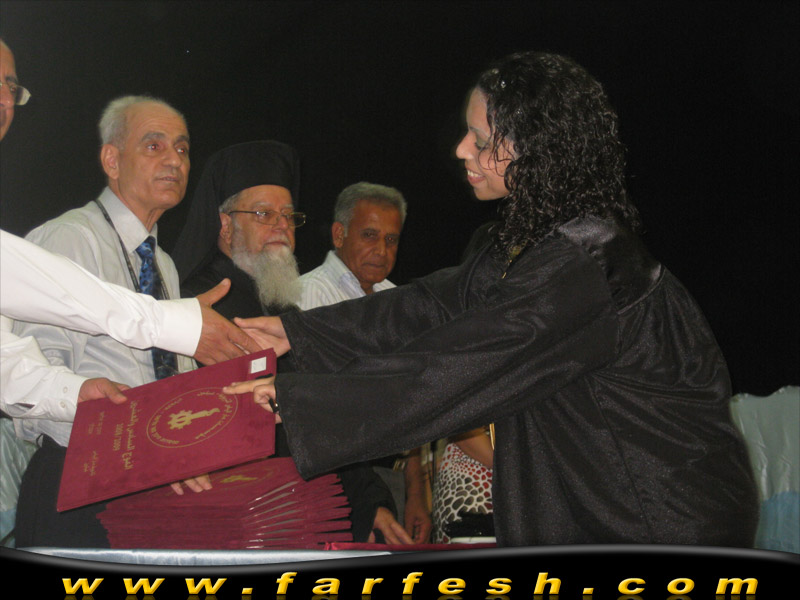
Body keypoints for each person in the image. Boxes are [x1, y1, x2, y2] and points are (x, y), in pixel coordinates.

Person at [225, 51, 759, 547]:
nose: (461, 149)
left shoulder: (588, 264)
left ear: (538, 152)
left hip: (658, 515)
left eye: (481, 140)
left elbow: (459, 364)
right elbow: (431, 306)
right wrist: (300, 332)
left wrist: (299, 401)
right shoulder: (522, 244)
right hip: (602, 497)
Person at [174, 141, 413, 545]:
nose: (282, 226)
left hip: (296, 511)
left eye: (288, 215)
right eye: (264, 214)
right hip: (231, 517)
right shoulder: (196, 302)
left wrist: (368, 501)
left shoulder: (283, 307)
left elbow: (323, 409)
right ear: (226, 224)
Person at [11, 95, 203, 547]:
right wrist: (129, 437)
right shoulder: (68, 239)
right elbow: (34, 379)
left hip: (154, 482)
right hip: (80, 481)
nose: (175, 160)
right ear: (112, 160)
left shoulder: (164, 264)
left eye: (182, 148)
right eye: (154, 146)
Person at [298, 182, 432, 543]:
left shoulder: (398, 300)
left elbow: (414, 404)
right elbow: (320, 417)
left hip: (395, 479)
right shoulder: (308, 296)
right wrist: (364, 501)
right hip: (338, 484)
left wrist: (416, 492)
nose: (382, 250)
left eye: (391, 239)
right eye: (370, 235)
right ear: (339, 234)